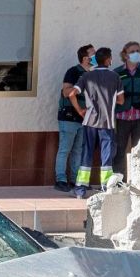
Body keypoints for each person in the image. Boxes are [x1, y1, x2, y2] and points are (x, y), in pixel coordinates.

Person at [71, 47, 124, 198]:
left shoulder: (87, 76)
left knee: (86, 153)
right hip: (107, 122)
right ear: (108, 60)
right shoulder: (115, 77)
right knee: (106, 156)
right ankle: (106, 187)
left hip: (89, 121)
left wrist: (80, 110)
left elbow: (71, 93)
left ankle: (81, 188)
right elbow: (121, 100)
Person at [113, 42, 140, 176]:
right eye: (132, 51)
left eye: (138, 51)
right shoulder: (117, 72)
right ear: (125, 55)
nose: (136, 53)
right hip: (122, 117)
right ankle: (118, 180)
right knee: (119, 149)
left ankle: (138, 178)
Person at [54, 45, 95, 193]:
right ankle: (60, 180)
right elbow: (66, 92)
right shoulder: (73, 72)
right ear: (85, 58)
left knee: (78, 150)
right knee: (65, 149)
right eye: (93, 54)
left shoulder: (92, 74)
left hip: (84, 118)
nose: (95, 57)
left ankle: (76, 180)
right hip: (70, 117)